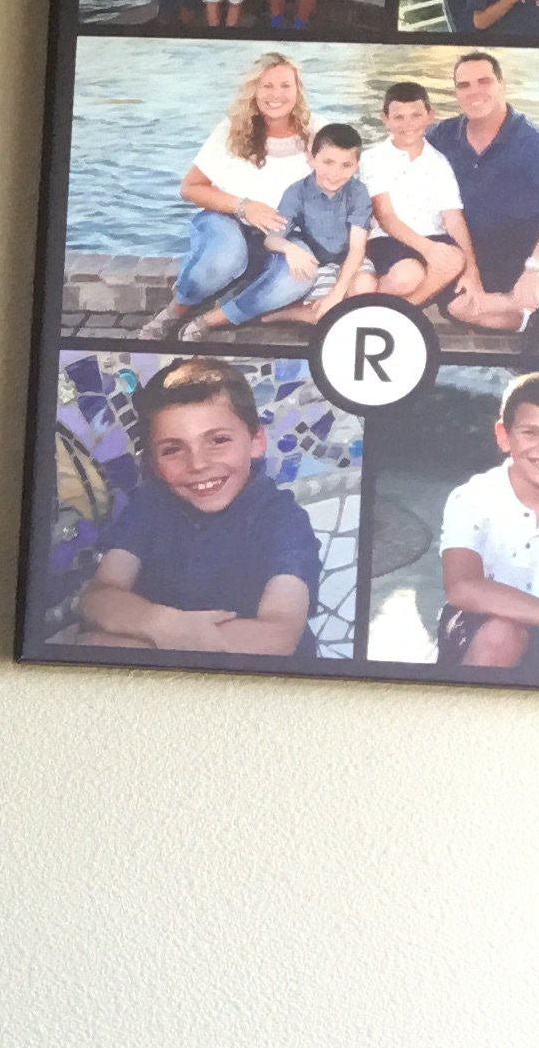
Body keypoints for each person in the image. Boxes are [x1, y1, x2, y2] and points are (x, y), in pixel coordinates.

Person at [74, 360, 320, 660]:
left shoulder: (283, 519)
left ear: (256, 441)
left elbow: (277, 637)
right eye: (172, 449)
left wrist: (146, 646)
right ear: (153, 463)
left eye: (218, 440)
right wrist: (164, 625)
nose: (198, 464)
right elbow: (97, 599)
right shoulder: (150, 504)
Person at [165, 51, 313, 335]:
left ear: (298, 90)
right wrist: (245, 206)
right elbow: (190, 187)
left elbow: (339, 185)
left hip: (284, 233)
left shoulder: (316, 130)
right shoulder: (232, 129)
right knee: (227, 256)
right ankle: (175, 310)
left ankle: (208, 321)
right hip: (226, 219)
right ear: (253, 90)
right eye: (267, 85)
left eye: (285, 85)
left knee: (301, 274)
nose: (276, 95)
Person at [431, 50, 539, 333]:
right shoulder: (442, 136)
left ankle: (527, 306)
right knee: (461, 307)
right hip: (472, 258)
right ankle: (527, 316)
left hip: (527, 255)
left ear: (502, 84)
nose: (474, 92)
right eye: (464, 85)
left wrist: (535, 267)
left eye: (484, 81)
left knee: (531, 290)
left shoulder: (533, 143)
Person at [438, 370, 539, 673]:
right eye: (530, 433)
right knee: (502, 634)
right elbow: (462, 587)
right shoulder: (474, 497)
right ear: (503, 436)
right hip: (482, 622)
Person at [360, 78, 468, 305]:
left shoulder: (439, 161)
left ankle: (405, 310)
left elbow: (454, 218)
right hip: (388, 238)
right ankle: (362, 307)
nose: (407, 124)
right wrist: (427, 249)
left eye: (416, 115)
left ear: (430, 116)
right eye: (399, 117)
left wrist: (472, 271)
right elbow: (385, 215)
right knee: (407, 276)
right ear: (385, 119)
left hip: (433, 235)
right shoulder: (373, 158)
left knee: (456, 259)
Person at [268, 122, 374, 310]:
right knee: (324, 311)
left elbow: (357, 248)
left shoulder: (358, 192)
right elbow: (271, 239)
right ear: (312, 159)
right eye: (328, 162)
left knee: (365, 288)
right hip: (317, 262)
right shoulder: (296, 192)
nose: (335, 173)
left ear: (356, 166)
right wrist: (290, 249)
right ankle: (278, 315)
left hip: (349, 259)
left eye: (346, 165)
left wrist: (337, 292)